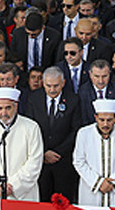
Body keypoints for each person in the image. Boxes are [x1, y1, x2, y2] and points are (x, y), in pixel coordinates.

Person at [25, 66, 81, 202]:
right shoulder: (33, 99)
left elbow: (76, 130)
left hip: (63, 161)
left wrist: (57, 152)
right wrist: (43, 152)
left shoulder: (73, 100)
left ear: (63, 83)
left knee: (64, 201)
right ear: (43, 83)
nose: (52, 89)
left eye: (56, 85)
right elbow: (29, 128)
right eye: (48, 86)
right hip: (40, 161)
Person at [72, 98, 115, 208]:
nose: (105, 124)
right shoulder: (84, 134)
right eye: (102, 120)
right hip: (91, 192)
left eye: (109, 120)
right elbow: (79, 162)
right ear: (95, 118)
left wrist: (112, 183)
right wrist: (98, 183)